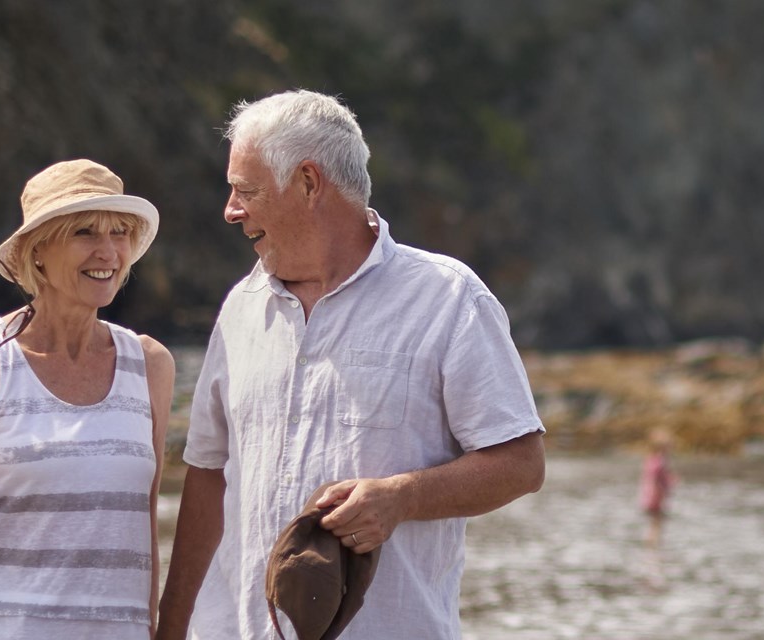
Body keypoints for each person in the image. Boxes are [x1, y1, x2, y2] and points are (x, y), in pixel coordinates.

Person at [158, 90, 546, 640]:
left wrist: (402, 498)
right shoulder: (241, 307)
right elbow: (207, 475)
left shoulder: (449, 298)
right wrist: (171, 628)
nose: (230, 210)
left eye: (246, 191)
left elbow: (522, 464)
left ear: (309, 183)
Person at [0, 159, 176, 639]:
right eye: (85, 232)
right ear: (37, 253)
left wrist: (152, 626)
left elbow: (143, 523)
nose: (108, 251)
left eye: (120, 233)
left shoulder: (149, 363)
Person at [639, 428, 678, 549]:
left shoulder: (651, 459)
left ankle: (652, 543)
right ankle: (654, 545)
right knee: (657, 523)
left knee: (655, 522)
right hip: (656, 497)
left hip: (649, 495)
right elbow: (657, 478)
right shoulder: (659, 461)